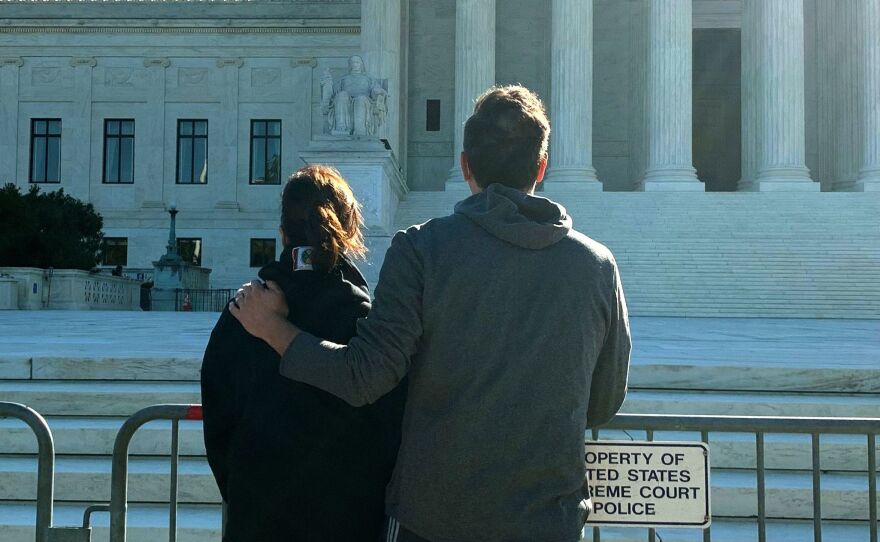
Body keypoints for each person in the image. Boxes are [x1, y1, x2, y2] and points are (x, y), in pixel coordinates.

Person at [231, 86, 631, 542]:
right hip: (546, 521)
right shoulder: (597, 266)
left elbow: (363, 376)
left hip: (436, 520)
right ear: (542, 167)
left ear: (465, 166)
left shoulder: (422, 250)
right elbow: (603, 401)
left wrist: (275, 329)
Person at [201, 165, 405, 542]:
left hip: (258, 517)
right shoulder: (364, 319)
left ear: (282, 232)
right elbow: (390, 430)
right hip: (348, 519)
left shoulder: (243, 315)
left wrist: (246, 488)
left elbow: (218, 424)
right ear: (349, 231)